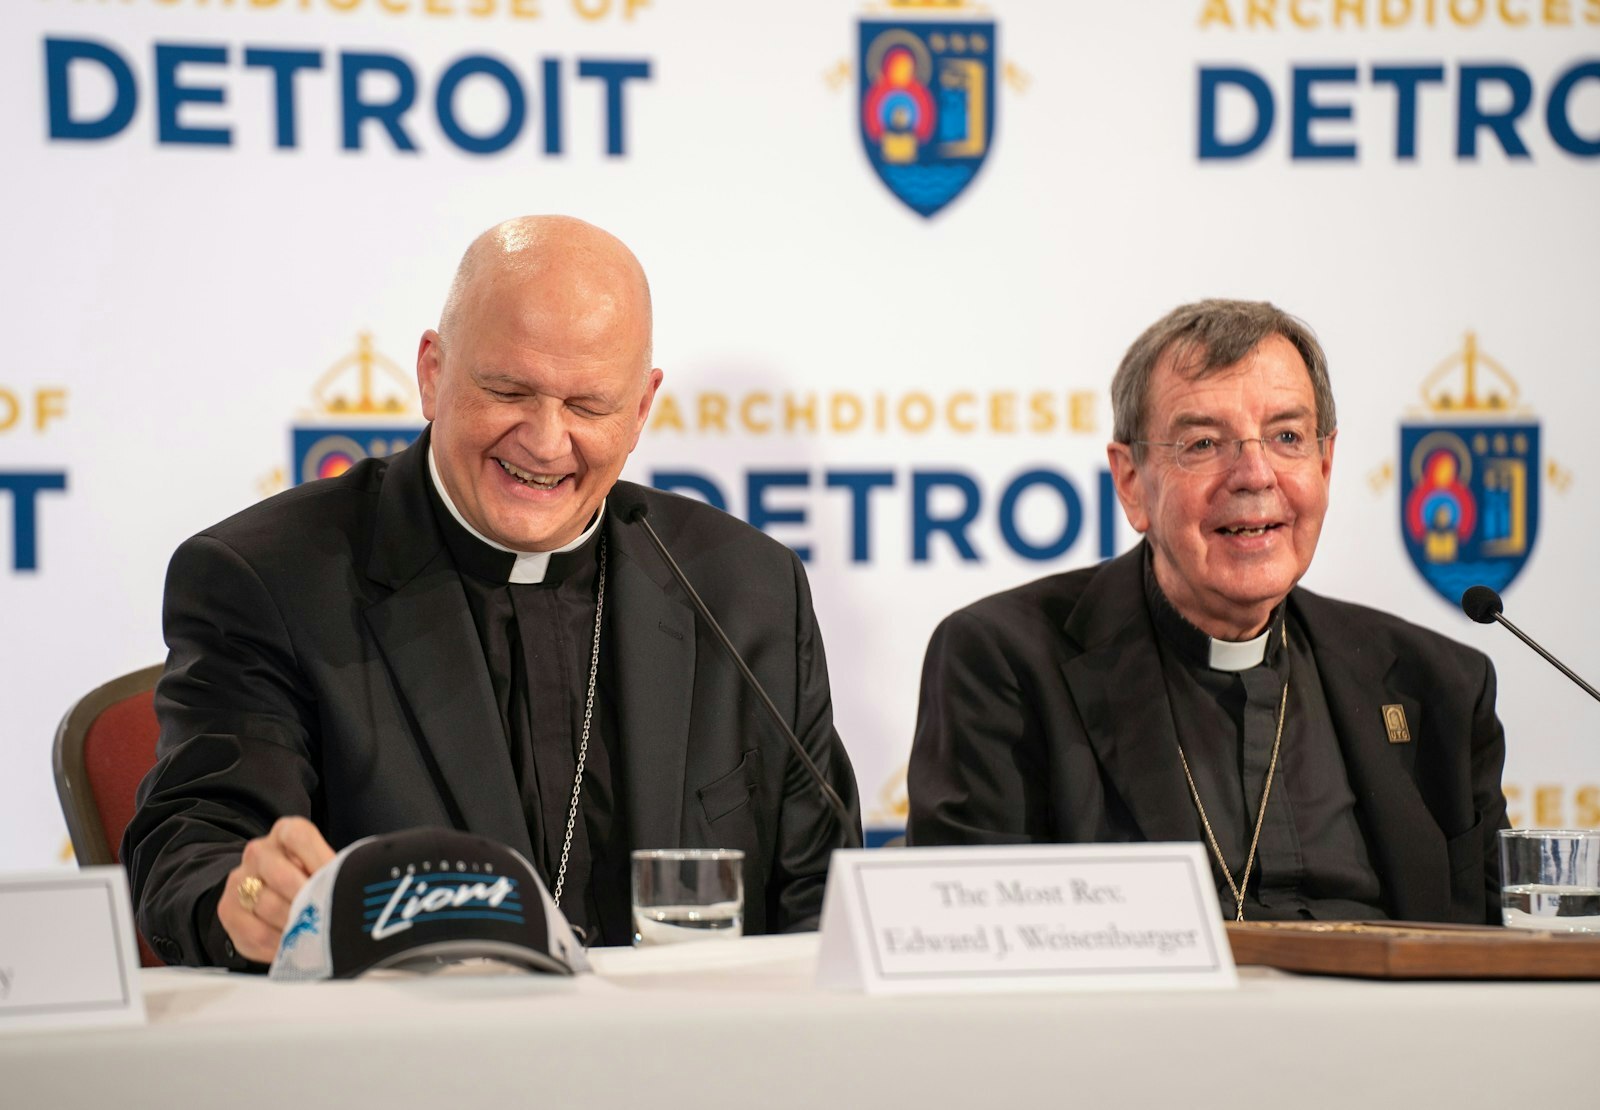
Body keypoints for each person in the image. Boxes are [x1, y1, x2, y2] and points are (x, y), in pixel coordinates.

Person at [124, 216, 860, 967]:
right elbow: (195, 849)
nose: (545, 441)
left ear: (640, 410)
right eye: (509, 390)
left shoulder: (744, 590)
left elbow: (826, 903)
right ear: (433, 372)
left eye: (588, 407)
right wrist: (247, 898)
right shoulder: (270, 579)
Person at [908, 299, 1507, 924]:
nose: (1254, 475)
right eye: (1203, 443)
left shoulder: (1437, 685)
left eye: (1286, 438)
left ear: (1325, 464)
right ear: (1132, 482)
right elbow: (975, 948)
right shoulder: (1004, 663)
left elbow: (1496, 955)